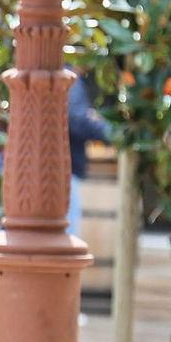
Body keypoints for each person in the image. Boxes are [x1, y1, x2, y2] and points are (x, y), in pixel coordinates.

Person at [67, 71, 112, 239]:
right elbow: (77, 119)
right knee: (66, 238)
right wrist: (112, 132)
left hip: (59, 168)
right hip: (65, 170)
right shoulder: (69, 78)